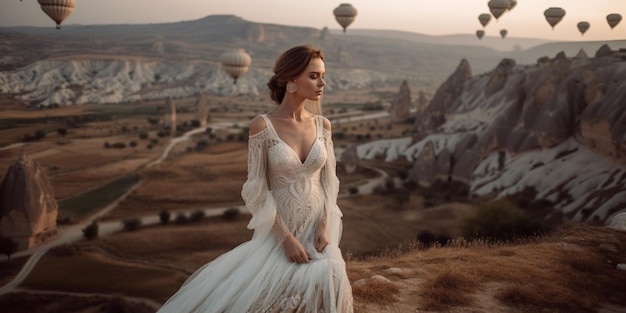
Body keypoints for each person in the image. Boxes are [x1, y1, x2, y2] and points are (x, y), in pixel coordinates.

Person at [156, 45, 354, 313]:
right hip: (279, 234)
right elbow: (256, 189)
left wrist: (324, 225)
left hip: (316, 232)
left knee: (331, 282)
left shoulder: (323, 125)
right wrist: (285, 239)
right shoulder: (263, 126)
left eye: (323, 75)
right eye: (314, 76)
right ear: (291, 80)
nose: (323, 83)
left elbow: (329, 181)